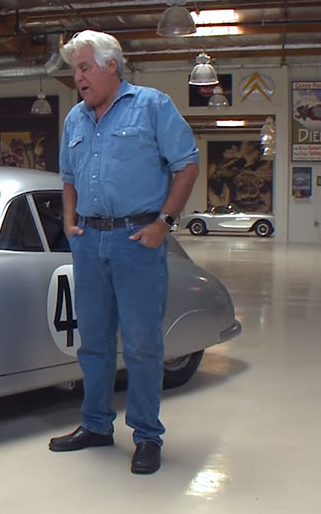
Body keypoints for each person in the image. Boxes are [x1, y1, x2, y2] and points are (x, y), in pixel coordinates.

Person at [48, 30, 199, 475]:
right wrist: (72, 225)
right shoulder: (75, 119)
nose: (78, 78)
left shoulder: (152, 106)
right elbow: (68, 177)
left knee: (141, 345)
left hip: (137, 240)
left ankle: (147, 436)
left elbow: (187, 164)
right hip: (89, 243)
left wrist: (163, 224)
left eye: (85, 68)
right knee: (92, 343)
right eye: (75, 70)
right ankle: (95, 425)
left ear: (112, 65)